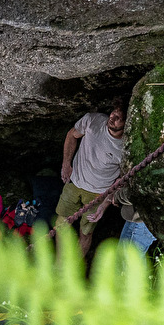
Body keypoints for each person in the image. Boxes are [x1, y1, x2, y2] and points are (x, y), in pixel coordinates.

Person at [56, 99, 126, 258]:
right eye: (113, 113)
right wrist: (66, 163)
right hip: (75, 183)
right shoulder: (92, 121)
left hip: (98, 194)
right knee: (61, 225)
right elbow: (72, 135)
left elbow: (122, 179)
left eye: (119, 118)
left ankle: (75, 265)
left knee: (85, 232)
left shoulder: (124, 147)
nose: (112, 118)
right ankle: (60, 262)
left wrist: (105, 203)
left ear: (127, 124)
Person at [88, 187, 156, 253]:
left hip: (143, 221)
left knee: (127, 258)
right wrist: (106, 202)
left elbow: (141, 191)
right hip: (140, 217)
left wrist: (117, 196)